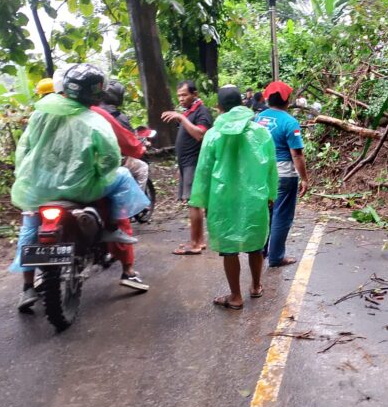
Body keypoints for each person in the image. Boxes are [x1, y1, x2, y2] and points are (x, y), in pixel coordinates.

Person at [11, 64, 151, 310]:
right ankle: (114, 231)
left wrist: (27, 177)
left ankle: (27, 287)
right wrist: (98, 173)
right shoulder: (95, 118)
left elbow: (24, 150)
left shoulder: (40, 112)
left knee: (30, 224)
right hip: (81, 190)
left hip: (39, 189)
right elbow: (110, 158)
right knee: (121, 175)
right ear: (96, 92)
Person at [189, 86, 278, 309]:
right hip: (254, 197)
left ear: (219, 107)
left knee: (229, 247)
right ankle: (256, 286)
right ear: (242, 103)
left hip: (222, 198)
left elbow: (203, 171)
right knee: (255, 242)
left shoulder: (213, 135)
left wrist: (201, 201)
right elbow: (271, 167)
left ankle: (235, 296)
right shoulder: (261, 133)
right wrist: (271, 193)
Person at [255, 81, 310, 268]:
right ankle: (276, 257)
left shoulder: (257, 119)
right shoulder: (290, 122)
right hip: (284, 174)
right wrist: (304, 178)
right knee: (282, 215)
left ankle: (261, 251)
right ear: (287, 100)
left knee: (265, 213)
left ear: (268, 99)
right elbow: (297, 154)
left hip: (261, 173)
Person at [161, 80, 213, 255]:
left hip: (194, 162)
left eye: (184, 95)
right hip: (186, 163)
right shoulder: (190, 111)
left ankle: (195, 244)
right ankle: (199, 240)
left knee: (193, 202)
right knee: (193, 202)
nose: (181, 99)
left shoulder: (202, 111)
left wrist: (181, 118)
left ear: (195, 94)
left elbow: (200, 134)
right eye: (179, 96)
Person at [100, 81, 149, 190]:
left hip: (95, 161)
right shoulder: (119, 117)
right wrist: (141, 147)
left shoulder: (92, 111)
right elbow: (129, 140)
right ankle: (138, 199)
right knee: (143, 168)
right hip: (113, 161)